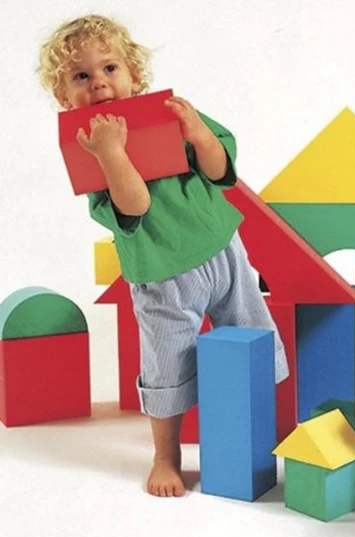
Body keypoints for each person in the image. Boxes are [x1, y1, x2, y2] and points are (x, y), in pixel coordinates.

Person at [36, 14, 290, 498]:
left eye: (110, 68)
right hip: (162, 277)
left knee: (254, 338)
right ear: (64, 96)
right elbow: (136, 205)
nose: (99, 83)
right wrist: (111, 152)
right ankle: (165, 456)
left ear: (134, 73)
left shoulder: (169, 114)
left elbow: (220, 172)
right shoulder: (89, 148)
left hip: (224, 252)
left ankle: (262, 434)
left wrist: (198, 133)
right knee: (167, 366)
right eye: (81, 76)